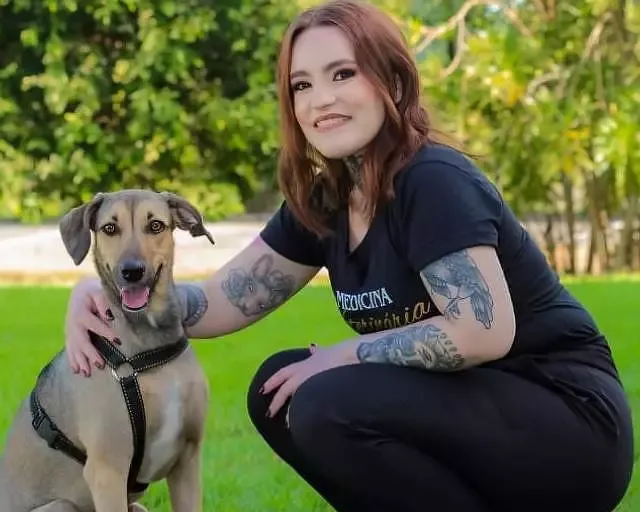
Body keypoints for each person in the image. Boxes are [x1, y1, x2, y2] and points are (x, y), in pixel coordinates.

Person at [63, 1, 633, 511]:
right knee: (278, 387)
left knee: (322, 398)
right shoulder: (328, 198)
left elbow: (482, 331)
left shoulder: (433, 180)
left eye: (342, 74)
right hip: (477, 418)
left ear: (392, 80)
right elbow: (215, 303)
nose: (321, 100)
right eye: (301, 85)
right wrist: (102, 298)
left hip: (566, 423)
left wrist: (341, 355)